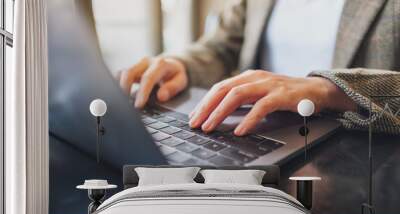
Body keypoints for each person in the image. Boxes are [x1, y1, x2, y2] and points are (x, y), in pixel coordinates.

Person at [119, 0, 400, 136]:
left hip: (358, 163)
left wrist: (328, 89)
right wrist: (183, 65)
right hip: (253, 137)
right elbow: (225, 44)